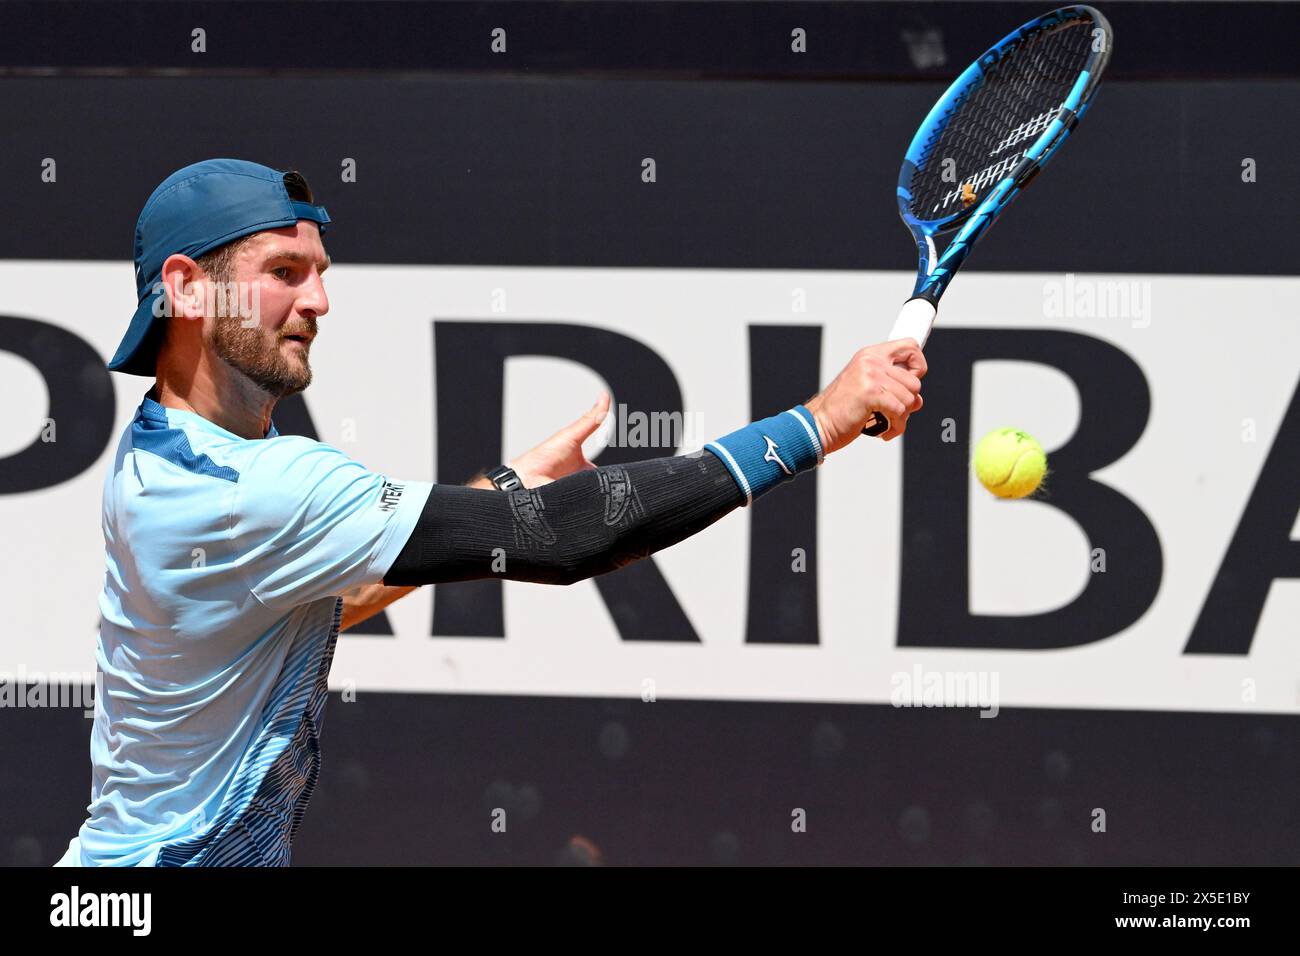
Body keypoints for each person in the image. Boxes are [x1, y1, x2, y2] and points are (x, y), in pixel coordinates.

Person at [56, 158, 925, 866]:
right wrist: (818, 423)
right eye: (283, 273)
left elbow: (320, 601)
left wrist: (505, 490)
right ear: (187, 289)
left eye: (320, 273)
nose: (318, 302)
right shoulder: (252, 490)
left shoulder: (163, 450)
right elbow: (573, 539)